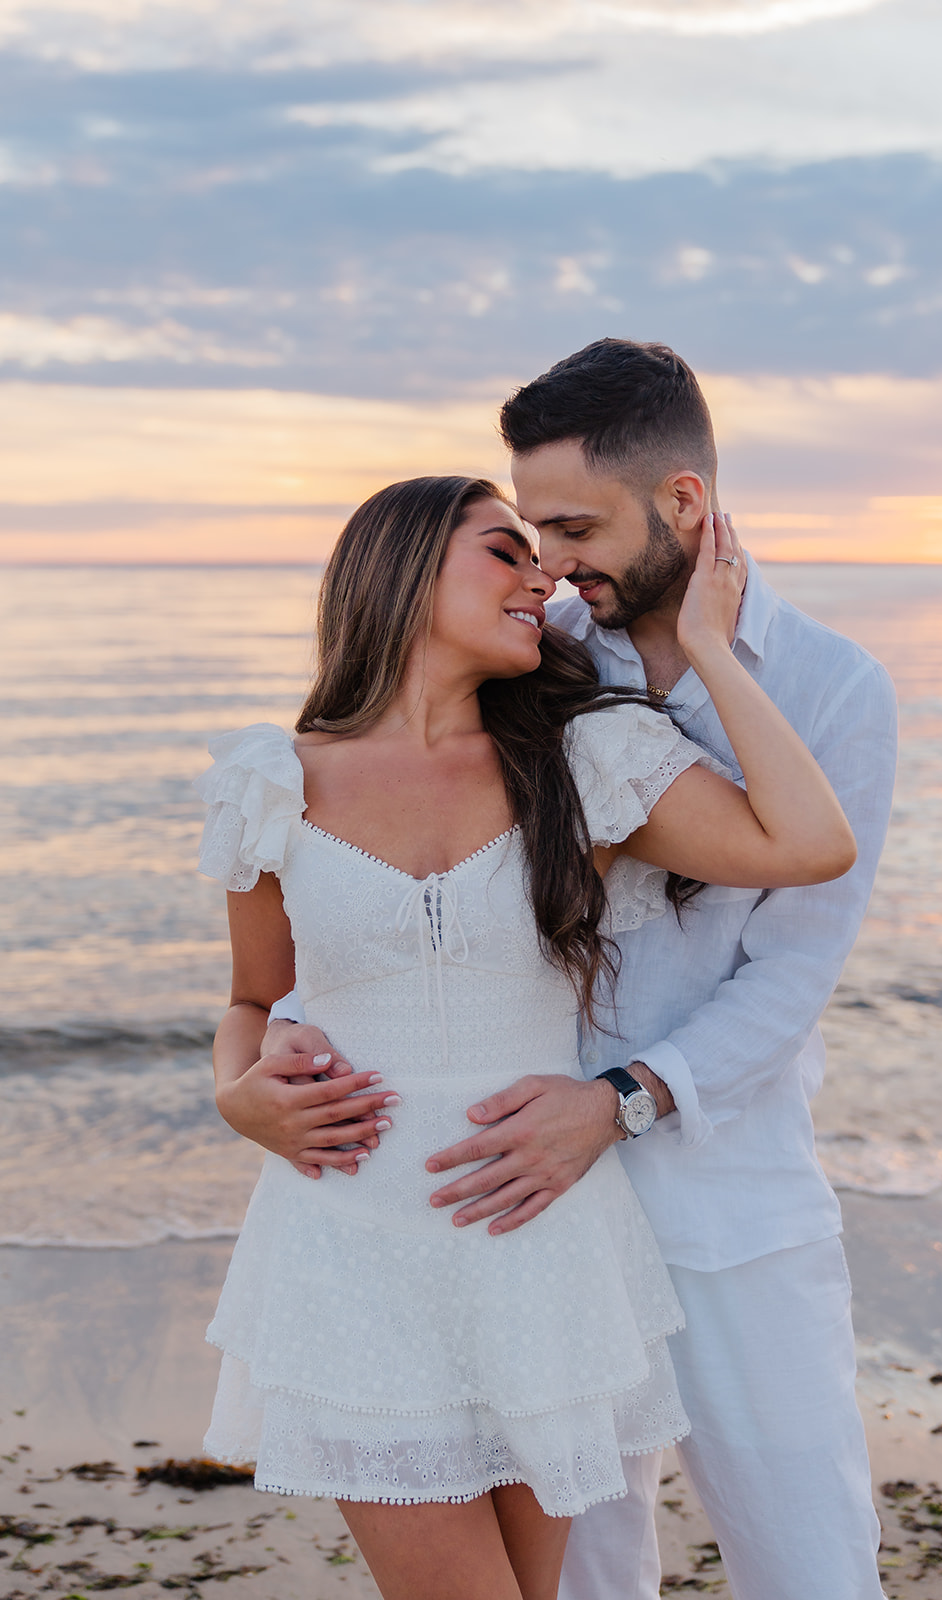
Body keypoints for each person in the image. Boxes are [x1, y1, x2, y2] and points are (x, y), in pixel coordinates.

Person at [257, 342, 899, 1600]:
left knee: (807, 1563)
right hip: (527, 1211)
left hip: (724, 1201)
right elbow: (401, 878)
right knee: (588, 1581)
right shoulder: (529, 657)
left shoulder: (831, 687)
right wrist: (278, 1042)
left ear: (681, 502)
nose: (548, 562)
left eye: (569, 526)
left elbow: (789, 971)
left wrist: (613, 1103)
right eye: (528, 532)